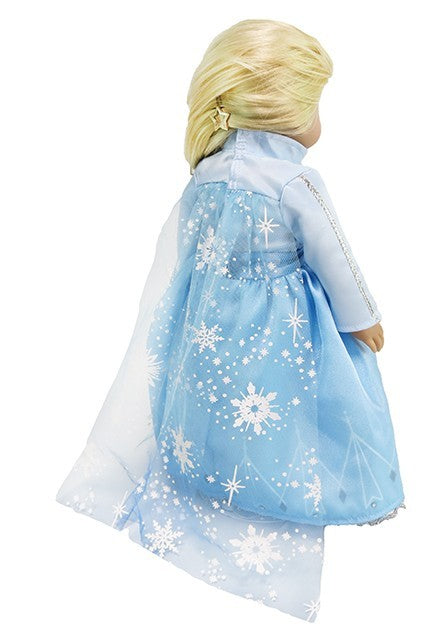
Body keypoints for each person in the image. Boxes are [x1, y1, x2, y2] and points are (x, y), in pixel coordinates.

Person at [57, 19, 405, 622]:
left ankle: (216, 463)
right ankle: (280, 479)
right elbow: (335, 258)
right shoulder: (296, 181)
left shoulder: (207, 175)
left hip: (211, 321)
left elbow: (189, 252)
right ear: (284, 110)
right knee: (285, 400)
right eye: (314, 104)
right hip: (283, 324)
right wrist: (361, 318)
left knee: (220, 397)